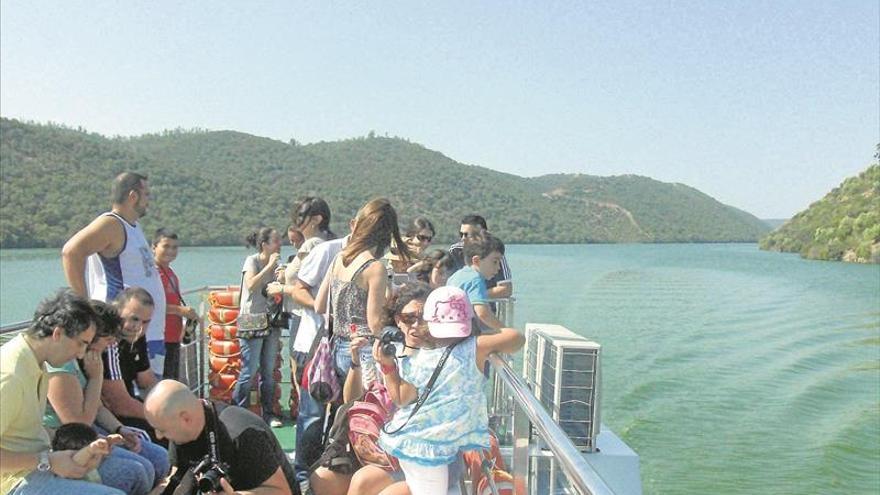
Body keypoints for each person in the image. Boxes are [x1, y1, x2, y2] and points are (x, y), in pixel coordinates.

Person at [375, 286, 524, 495]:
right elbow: (516, 338)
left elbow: (404, 397)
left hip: (415, 441)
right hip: (429, 448)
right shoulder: (477, 347)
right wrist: (483, 324)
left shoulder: (422, 356)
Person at [1, 289, 123, 495]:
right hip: (13, 482)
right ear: (57, 333)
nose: (82, 353)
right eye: (81, 343)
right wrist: (46, 461)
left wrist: (82, 452)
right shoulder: (10, 376)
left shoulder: (33, 361)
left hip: (32, 468)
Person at [45, 299, 170, 494]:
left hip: (90, 431)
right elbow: (79, 425)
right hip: (67, 443)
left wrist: (119, 429)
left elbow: (99, 408)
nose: (112, 343)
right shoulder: (62, 365)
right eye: (108, 339)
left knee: (160, 458)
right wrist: (96, 377)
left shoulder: (84, 360)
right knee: (135, 472)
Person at [62, 172, 167, 375]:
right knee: (129, 397)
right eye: (147, 195)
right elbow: (71, 252)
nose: (149, 201)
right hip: (123, 332)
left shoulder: (133, 226)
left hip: (145, 333)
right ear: (133, 196)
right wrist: (84, 307)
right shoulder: (111, 224)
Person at [315, 198, 411, 393]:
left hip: (338, 345)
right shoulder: (374, 268)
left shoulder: (339, 258)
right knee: (369, 413)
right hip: (364, 350)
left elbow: (319, 305)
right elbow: (375, 324)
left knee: (347, 410)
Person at [144, 380, 295, 494]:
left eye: (161, 430)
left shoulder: (242, 433)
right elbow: (176, 478)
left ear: (185, 419)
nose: (158, 435)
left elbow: (282, 491)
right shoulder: (180, 433)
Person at [267, 197, 335, 419]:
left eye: (301, 217)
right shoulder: (330, 243)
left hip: (306, 317)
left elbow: (302, 286)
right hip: (320, 319)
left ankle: (309, 429)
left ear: (317, 219)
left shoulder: (312, 245)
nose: (297, 222)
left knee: (306, 377)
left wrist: (281, 287)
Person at [233, 227, 284, 428]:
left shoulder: (276, 265)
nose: (280, 244)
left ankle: (269, 414)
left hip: (271, 319)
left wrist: (282, 275)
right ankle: (238, 412)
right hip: (252, 319)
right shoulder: (252, 261)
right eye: (276, 240)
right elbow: (252, 284)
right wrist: (269, 266)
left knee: (268, 370)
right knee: (250, 369)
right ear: (265, 245)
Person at [102, 288, 163, 442]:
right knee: (161, 436)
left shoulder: (136, 336)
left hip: (128, 405)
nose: (139, 327)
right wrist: (162, 418)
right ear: (117, 311)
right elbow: (119, 404)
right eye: (134, 319)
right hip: (110, 417)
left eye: (146, 322)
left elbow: (146, 381)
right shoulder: (109, 342)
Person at [153, 228, 200, 380]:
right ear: (154, 247)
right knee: (163, 385)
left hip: (173, 338)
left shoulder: (171, 273)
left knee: (172, 380)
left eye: (174, 247)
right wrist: (181, 310)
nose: (170, 251)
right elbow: (150, 306)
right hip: (159, 338)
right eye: (166, 246)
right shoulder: (152, 274)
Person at [447, 232, 508, 331]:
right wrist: (505, 330)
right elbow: (483, 313)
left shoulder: (455, 276)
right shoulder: (476, 280)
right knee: (515, 337)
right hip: (463, 334)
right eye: (495, 262)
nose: (498, 268)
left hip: (450, 329)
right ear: (476, 260)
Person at [448, 215, 513, 299]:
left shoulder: (495, 255)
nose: (463, 239)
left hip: (485, 305)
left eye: (468, 234)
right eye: (461, 234)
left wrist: (472, 295)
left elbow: (505, 289)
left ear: (483, 234)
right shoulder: (455, 250)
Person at [50, 423, 122, 485]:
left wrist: (108, 441)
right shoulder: (74, 469)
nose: (104, 454)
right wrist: (90, 450)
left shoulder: (90, 469)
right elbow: (77, 460)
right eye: (98, 454)